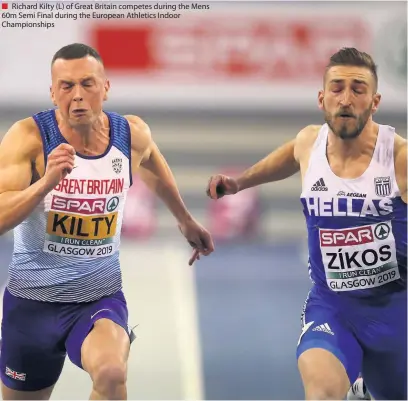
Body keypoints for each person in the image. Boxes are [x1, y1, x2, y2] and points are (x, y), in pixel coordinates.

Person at [0, 43, 214, 400]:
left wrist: (186, 221)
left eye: (87, 84)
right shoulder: (28, 139)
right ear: (53, 92)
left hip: (97, 297)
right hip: (31, 304)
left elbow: (154, 168)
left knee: (112, 373)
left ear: (106, 87)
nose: (78, 96)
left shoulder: (130, 135)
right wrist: (44, 184)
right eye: (66, 86)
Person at [206, 47, 407, 400]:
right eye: (337, 88)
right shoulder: (308, 143)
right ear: (322, 98)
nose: (346, 98)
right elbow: (286, 159)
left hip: (395, 313)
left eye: (358, 89)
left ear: (374, 102)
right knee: (322, 393)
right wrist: (240, 183)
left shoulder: (399, 158)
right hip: (332, 307)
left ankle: (366, 390)